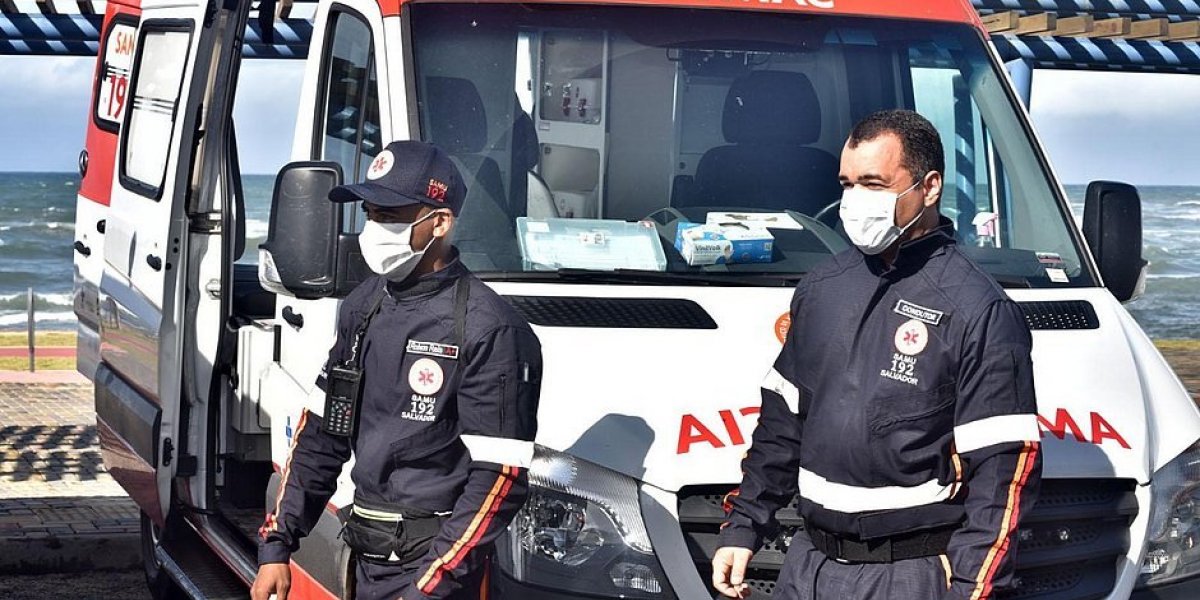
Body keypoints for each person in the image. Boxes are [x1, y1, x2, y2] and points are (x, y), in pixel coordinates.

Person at [711, 110, 1041, 599]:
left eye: (873, 184)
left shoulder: (979, 310)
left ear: (929, 187)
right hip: (807, 565)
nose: (855, 200)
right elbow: (781, 426)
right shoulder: (822, 289)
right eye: (847, 184)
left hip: (910, 572)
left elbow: (1003, 474)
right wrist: (744, 526)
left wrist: (973, 589)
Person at [251, 140, 542, 600]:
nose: (374, 229)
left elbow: (498, 479)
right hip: (365, 554)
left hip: (435, 570)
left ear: (439, 222)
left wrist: (429, 587)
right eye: (369, 214)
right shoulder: (363, 305)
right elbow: (322, 434)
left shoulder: (491, 329)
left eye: (389, 216)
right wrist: (277, 544)